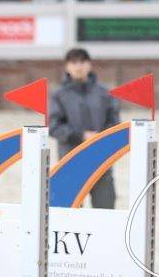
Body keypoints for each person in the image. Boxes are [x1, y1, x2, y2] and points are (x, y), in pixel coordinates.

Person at [47, 48, 121, 208]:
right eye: (74, 62)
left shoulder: (105, 93)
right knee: (71, 215)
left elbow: (115, 123)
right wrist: (81, 136)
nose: (78, 66)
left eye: (82, 62)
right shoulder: (58, 95)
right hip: (70, 161)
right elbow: (54, 126)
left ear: (90, 65)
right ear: (67, 66)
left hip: (101, 160)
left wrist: (100, 137)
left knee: (106, 211)